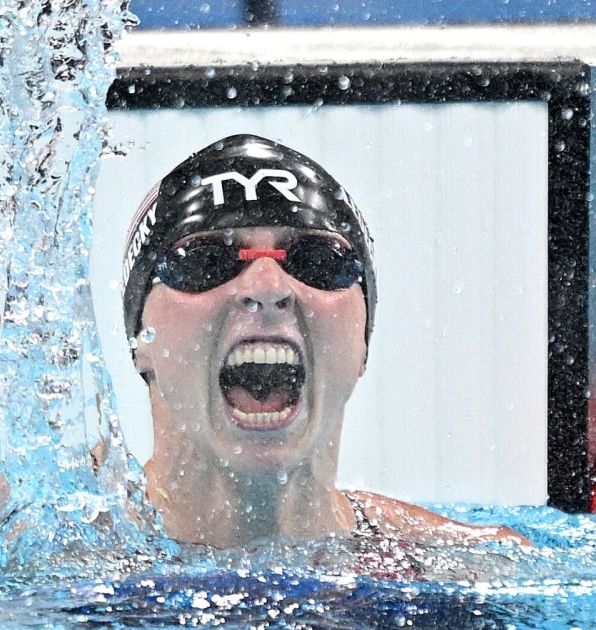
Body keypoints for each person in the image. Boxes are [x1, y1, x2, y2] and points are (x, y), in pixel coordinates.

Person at [121, 134, 527, 550]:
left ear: (363, 340)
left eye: (318, 260)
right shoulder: (67, 554)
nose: (267, 285)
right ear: (139, 340)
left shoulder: (474, 566)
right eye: (205, 261)